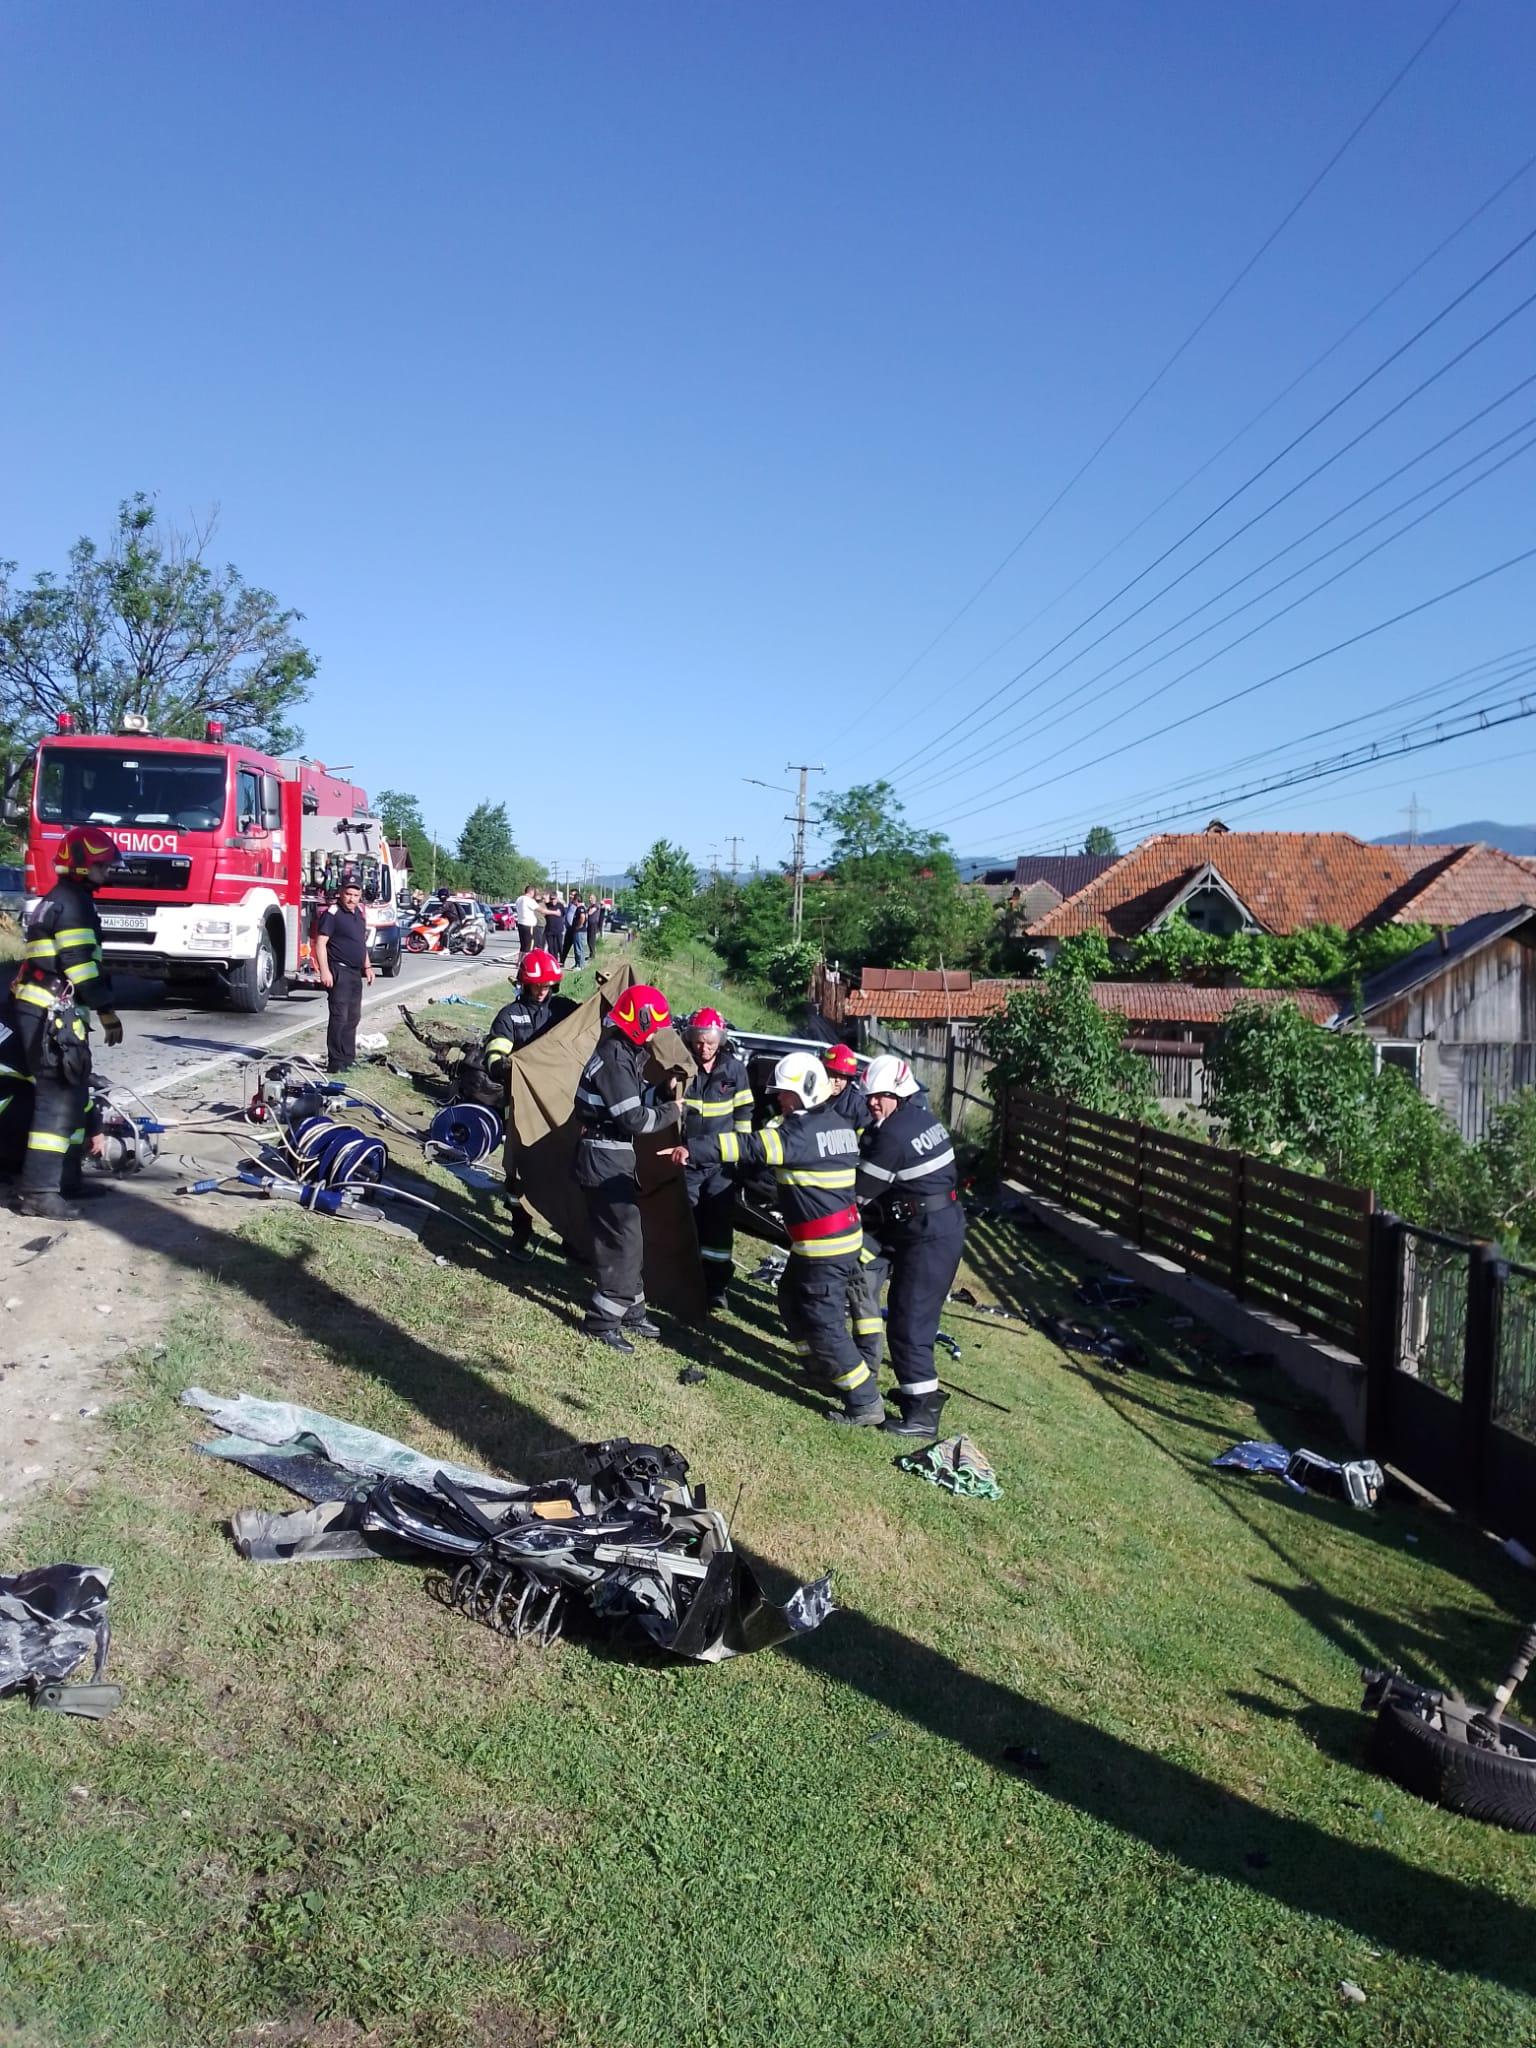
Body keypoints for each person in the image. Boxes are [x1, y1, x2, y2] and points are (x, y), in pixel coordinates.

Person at [674, 1052, 884, 1425]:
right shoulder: (835, 1122)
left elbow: (749, 1147)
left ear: (805, 1091)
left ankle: (864, 1400)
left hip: (825, 1248)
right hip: (834, 1240)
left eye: (785, 1094)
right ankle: (816, 1366)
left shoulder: (799, 1134)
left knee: (825, 1321)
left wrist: (694, 1149)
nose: (779, 1099)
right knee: (788, 1296)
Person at [9, 826, 124, 1219]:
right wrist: (106, 1009)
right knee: (56, 1100)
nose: (108, 870)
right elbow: (79, 965)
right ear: (81, 865)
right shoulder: (71, 903)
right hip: (48, 1012)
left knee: (73, 1096)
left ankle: (66, 1179)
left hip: (50, 1011)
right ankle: (38, 1192)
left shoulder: (66, 899)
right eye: (102, 864)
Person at [856, 1054, 966, 1437]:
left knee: (909, 1321)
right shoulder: (920, 1118)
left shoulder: (894, 1135)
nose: (873, 1102)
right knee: (913, 1315)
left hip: (928, 1233)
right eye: (870, 1095)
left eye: (881, 1096)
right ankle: (916, 1393)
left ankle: (921, 1416)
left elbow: (860, 1192)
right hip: (935, 1226)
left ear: (898, 1094)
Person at [574, 982, 682, 1351]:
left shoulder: (625, 1052)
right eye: (654, 1026)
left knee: (630, 1236)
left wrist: (662, 1093)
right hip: (605, 1155)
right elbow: (633, 1119)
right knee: (622, 1240)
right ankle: (603, 1321)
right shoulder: (615, 1057)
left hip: (613, 1155)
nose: (657, 1033)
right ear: (639, 1021)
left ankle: (632, 1311)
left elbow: (629, 1100)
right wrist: (673, 1111)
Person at [483, 947, 579, 1250]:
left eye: (546, 986)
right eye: (536, 985)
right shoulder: (510, 1016)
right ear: (524, 984)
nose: (541, 991)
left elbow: (590, 1026)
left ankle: (571, 1237)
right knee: (518, 1173)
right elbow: (494, 1054)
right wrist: (503, 1064)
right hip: (522, 1107)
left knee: (567, 1173)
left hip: (561, 1106)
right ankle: (520, 1229)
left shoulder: (563, 1009)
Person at [679, 1008, 754, 1310]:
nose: (704, 1048)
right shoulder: (681, 1066)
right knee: (687, 1219)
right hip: (687, 1161)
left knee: (719, 1225)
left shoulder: (734, 1071)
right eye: (699, 1042)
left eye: (710, 1042)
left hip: (722, 1164)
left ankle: (716, 1287)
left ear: (720, 1040)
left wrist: (743, 1154)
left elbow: (744, 1113)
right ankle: (685, 1278)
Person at [823, 1044, 884, 1373]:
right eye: (832, 1074)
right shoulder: (813, 1096)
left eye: (841, 1077)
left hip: (854, 1204)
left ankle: (868, 1365)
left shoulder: (857, 1109)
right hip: (828, 1203)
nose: (836, 1082)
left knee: (862, 1288)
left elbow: (861, 1157)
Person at [314, 878, 373, 1073]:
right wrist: (324, 970)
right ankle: (336, 1061)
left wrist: (368, 966)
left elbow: (360, 943)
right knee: (340, 1016)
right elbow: (320, 943)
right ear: (341, 892)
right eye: (348, 894)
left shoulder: (358, 914)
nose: (352, 899)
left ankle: (348, 1058)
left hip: (355, 972)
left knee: (353, 1016)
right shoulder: (333, 914)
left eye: (356, 895)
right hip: (338, 970)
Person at [513, 886, 542, 959]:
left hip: (521, 924)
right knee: (529, 946)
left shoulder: (519, 899)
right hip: (529, 925)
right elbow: (540, 909)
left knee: (523, 946)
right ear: (531, 892)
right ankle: (527, 962)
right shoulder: (529, 900)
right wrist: (553, 912)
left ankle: (519, 962)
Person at [563, 893, 589, 969]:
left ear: (576, 900)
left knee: (579, 949)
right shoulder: (580, 908)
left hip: (579, 932)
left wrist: (579, 925)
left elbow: (583, 917)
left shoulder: (580, 908)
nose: (573, 901)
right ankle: (578, 964)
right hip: (578, 931)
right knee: (578, 948)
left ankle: (580, 965)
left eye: (574, 899)